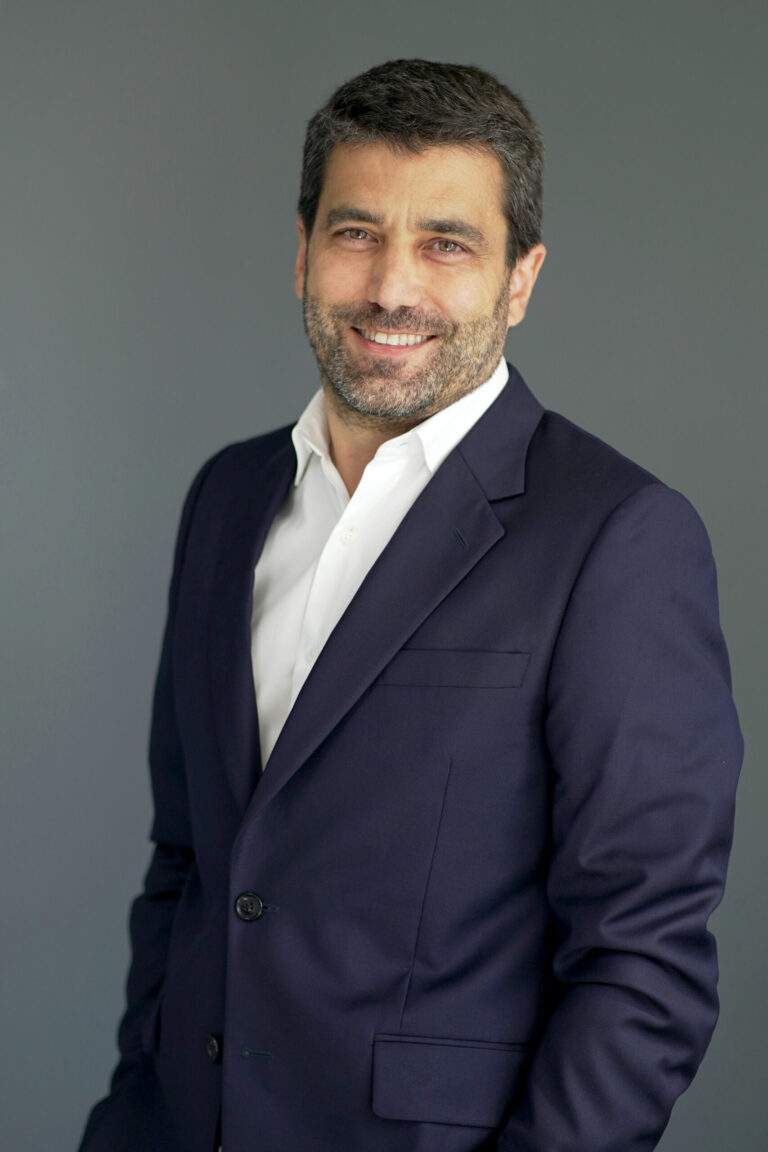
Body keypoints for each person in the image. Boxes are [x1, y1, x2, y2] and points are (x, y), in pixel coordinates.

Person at [78, 59, 742, 1152]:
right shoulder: (228, 497)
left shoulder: (618, 537)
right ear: (303, 251)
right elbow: (189, 861)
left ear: (520, 279)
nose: (392, 287)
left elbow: (644, 960)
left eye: (447, 243)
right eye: (357, 233)